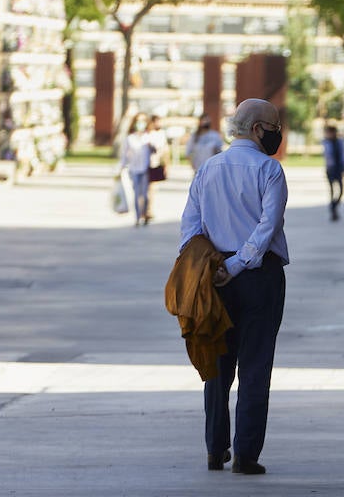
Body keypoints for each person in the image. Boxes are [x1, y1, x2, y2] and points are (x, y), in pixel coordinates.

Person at [177, 98, 290, 475]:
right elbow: (267, 226)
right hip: (259, 277)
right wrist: (239, 264)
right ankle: (245, 454)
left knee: (217, 364)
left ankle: (214, 449)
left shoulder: (208, 169)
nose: (277, 133)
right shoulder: (269, 171)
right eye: (274, 126)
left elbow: (190, 227)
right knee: (256, 365)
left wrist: (211, 267)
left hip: (214, 277)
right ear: (258, 129)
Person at [119, 114, 154, 227]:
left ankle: (145, 213)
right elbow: (125, 154)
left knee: (145, 194)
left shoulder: (148, 137)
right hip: (134, 169)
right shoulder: (130, 138)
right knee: (136, 194)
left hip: (145, 169)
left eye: (143, 121)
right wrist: (122, 167)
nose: (140, 124)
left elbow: (156, 150)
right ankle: (138, 217)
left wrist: (151, 146)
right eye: (138, 121)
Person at [322, 122, 344, 221]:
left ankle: (334, 207)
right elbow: (327, 156)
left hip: (339, 169)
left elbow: (342, 155)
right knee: (332, 191)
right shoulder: (326, 142)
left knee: (341, 191)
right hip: (331, 169)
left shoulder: (339, 142)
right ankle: (333, 211)